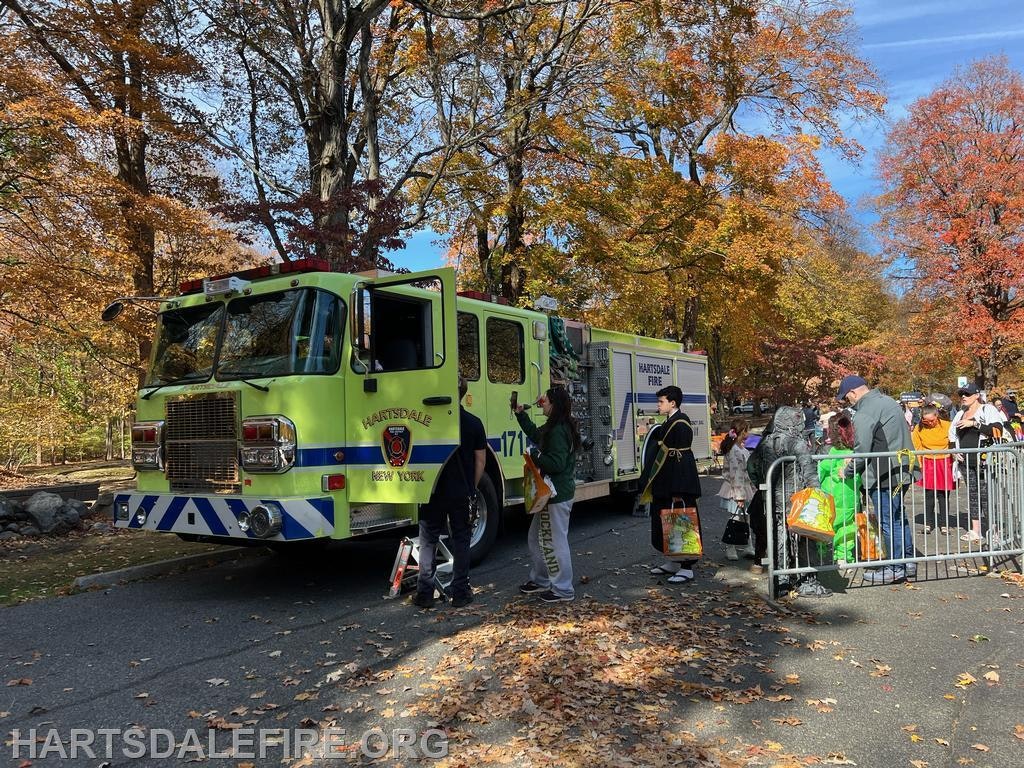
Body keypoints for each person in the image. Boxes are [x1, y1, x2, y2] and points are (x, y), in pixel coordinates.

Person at [413, 375, 487, 609]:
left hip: (432, 490)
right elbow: (480, 461)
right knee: (461, 539)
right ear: (464, 394)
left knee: (428, 540)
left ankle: (425, 593)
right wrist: (472, 488)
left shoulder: (427, 423)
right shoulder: (474, 423)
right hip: (460, 491)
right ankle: (460, 592)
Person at [837, 375, 919, 584]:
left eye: (847, 398)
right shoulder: (888, 401)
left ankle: (895, 567)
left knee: (889, 521)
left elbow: (861, 449)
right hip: (901, 468)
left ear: (853, 393)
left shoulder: (866, 411)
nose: (849, 403)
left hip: (883, 474)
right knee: (898, 518)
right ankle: (907, 562)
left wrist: (847, 471)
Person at [747, 406, 831, 597]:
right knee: (802, 539)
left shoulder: (766, 441)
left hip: (773, 500)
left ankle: (781, 581)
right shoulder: (796, 442)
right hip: (796, 501)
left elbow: (751, 466)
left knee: (779, 538)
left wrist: (762, 485)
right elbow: (808, 468)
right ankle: (805, 580)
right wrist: (816, 493)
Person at [516, 386, 582, 603]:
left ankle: (562, 589)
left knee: (553, 541)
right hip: (552, 493)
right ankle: (542, 580)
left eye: (546, 400)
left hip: (556, 494)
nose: (542, 403)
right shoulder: (558, 426)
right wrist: (521, 415)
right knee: (537, 538)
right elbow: (537, 434)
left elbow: (556, 463)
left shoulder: (558, 429)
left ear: (554, 405)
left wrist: (533, 454)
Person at [643, 386, 703, 584]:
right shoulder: (669, 422)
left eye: (661, 402)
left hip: (677, 484)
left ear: (672, 403)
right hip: (665, 482)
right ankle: (672, 561)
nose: (658, 405)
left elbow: (682, 459)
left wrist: (679, 489)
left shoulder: (681, 425)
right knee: (665, 521)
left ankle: (686, 567)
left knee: (681, 521)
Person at [948, 383, 1005, 545]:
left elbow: (997, 430)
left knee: (986, 496)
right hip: (966, 462)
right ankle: (975, 531)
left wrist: (974, 424)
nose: (963, 397)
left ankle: (995, 531)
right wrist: (954, 451)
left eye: (967, 394)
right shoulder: (960, 413)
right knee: (973, 495)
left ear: (976, 396)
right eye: (961, 394)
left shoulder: (988, 410)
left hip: (984, 461)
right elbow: (952, 434)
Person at [818, 413, 860, 563]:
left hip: (830, 495)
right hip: (849, 495)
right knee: (846, 526)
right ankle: (843, 556)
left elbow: (821, 470)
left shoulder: (830, 452)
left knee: (824, 525)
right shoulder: (854, 452)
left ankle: (821, 553)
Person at [911, 404, 955, 534]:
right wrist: (919, 466)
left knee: (943, 495)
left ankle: (944, 524)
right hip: (928, 462)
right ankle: (928, 523)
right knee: (929, 495)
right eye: (926, 421)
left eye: (932, 420)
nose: (929, 423)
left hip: (945, 461)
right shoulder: (919, 428)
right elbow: (917, 447)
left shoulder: (947, 425)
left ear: (937, 416)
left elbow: (953, 442)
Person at [717, 418, 756, 561]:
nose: (749, 433)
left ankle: (748, 545)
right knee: (736, 517)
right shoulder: (734, 450)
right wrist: (740, 495)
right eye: (747, 430)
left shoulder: (741, 448)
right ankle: (731, 547)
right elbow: (735, 474)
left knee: (746, 518)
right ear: (742, 431)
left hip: (744, 487)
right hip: (736, 489)